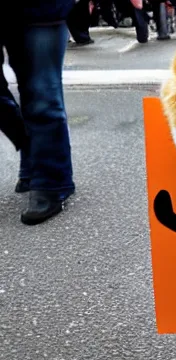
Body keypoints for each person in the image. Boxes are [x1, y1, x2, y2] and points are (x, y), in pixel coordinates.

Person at [1, 0, 76, 225]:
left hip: (42, 9)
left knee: (42, 95)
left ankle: (51, 180)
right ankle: (35, 154)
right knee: (36, 93)